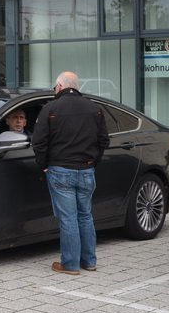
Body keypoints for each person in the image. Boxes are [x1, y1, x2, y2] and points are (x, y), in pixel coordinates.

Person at [31, 71, 110, 275]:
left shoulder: (50, 108)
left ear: (59, 86)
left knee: (68, 218)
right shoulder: (94, 109)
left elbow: (38, 142)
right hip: (86, 169)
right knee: (85, 216)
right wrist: (94, 161)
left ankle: (70, 264)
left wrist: (44, 165)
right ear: (77, 87)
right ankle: (89, 261)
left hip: (60, 170)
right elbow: (104, 140)